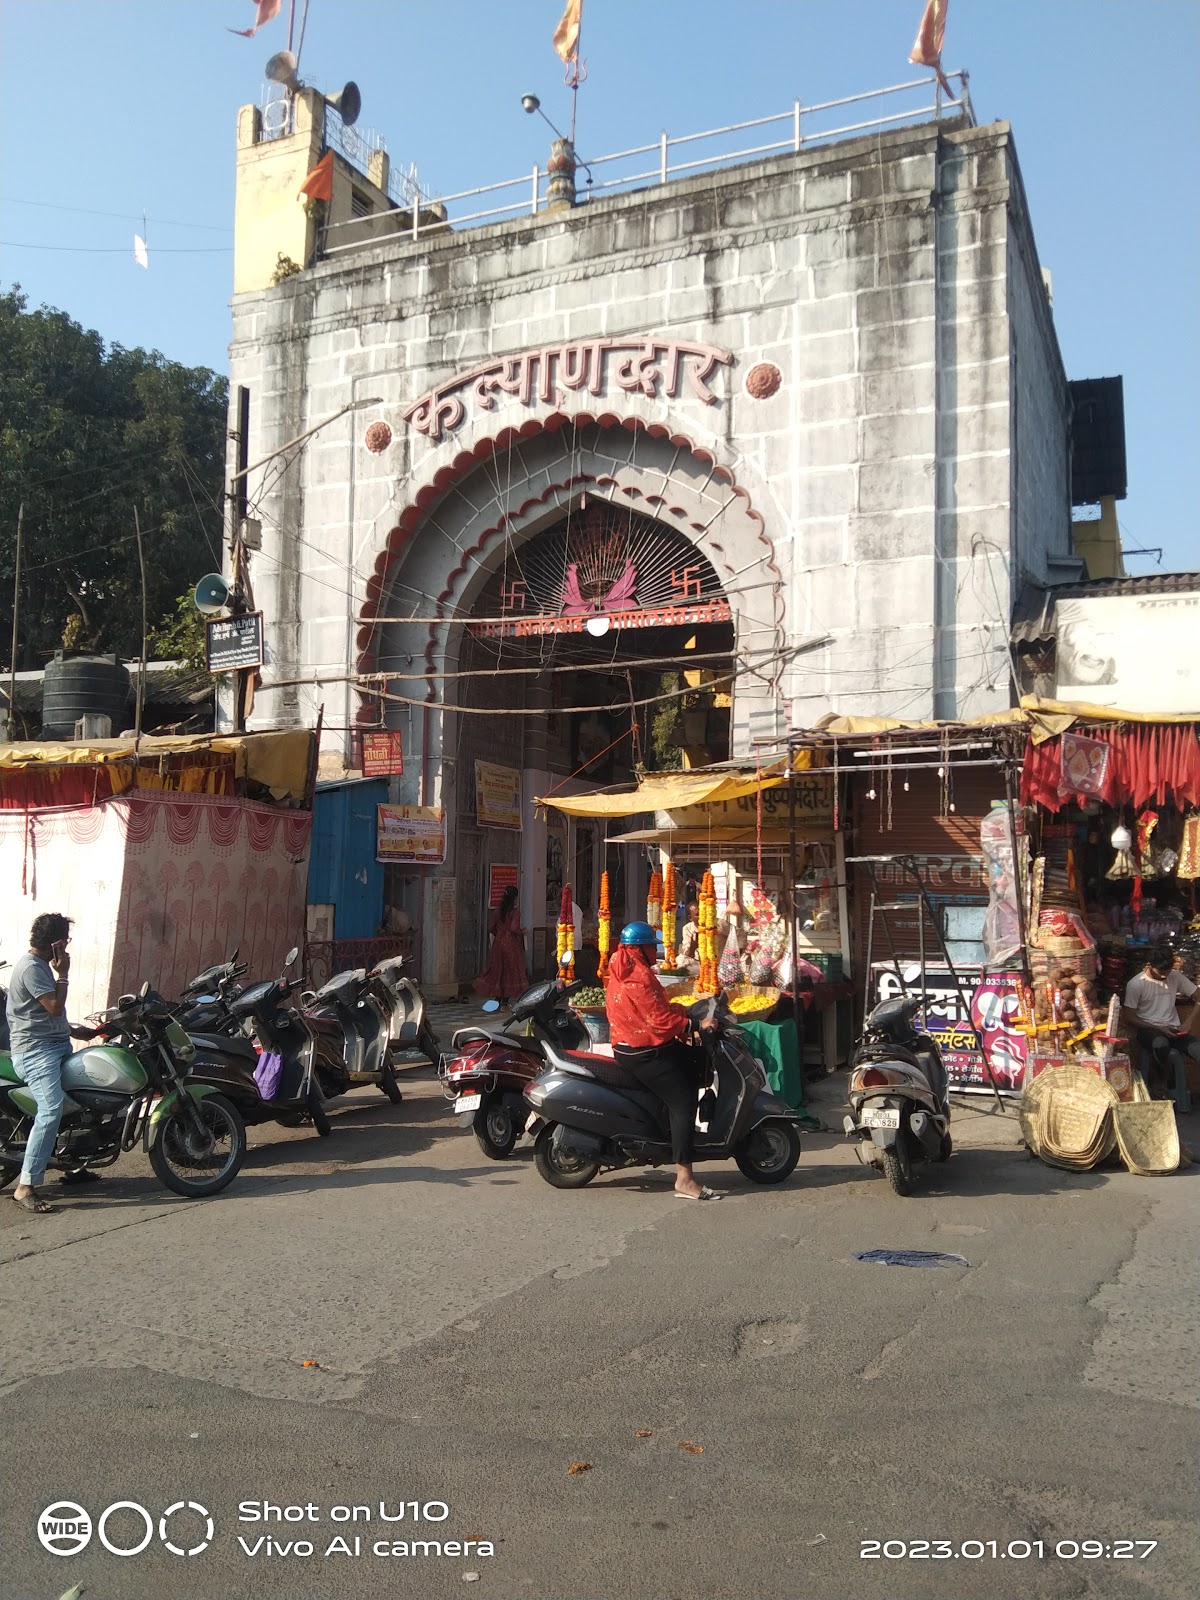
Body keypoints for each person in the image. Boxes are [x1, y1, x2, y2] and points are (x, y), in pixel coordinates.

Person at [605, 920, 718, 1200]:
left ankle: (672, 1138)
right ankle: (684, 1178)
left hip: (630, 1042)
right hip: (643, 1048)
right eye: (649, 947)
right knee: (683, 1100)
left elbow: (657, 1009)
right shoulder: (640, 978)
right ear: (638, 949)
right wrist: (693, 1024)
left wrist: (685, 1012)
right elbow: (658, 1020)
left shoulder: (620, 965)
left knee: (688, 1067)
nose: (653, 953)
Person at [8, 913, 98, 1214]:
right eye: (66, 941)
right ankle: (25, 1186)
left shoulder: (40, 966)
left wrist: (76, 1031)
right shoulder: (32, 969)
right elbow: (53, 1006)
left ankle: (74, 1166)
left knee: (87, 1095)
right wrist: (64, 974)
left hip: (55, 1046)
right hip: (35, 1053)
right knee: (51, 1108)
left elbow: (45, 1015)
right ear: (58, 944)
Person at [1120, 946, 1198, 1114]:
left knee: (1197, 1049)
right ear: (1149, 965)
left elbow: (1197, 996)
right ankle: (1159, 1083)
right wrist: (1158, 1028)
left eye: (1168, 972)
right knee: (1160, 1044)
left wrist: (1189, 1022)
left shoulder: (1175, 976)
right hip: (1149, 1029)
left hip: (1174, 1028)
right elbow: (1129, 1017)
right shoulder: (1136, 984)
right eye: (1161, 972)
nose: (1164, 976)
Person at [472, 884, 527, 1006]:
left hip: (498, 943)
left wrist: (498, 934)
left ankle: (497, 1000)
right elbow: (514, 928)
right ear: (515, 898)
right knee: (509, 971)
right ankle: (504, 1002)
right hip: (510, 944)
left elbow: (491, 927)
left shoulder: (498, 911)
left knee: (498, 970)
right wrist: (522, 931)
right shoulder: (515, 912)